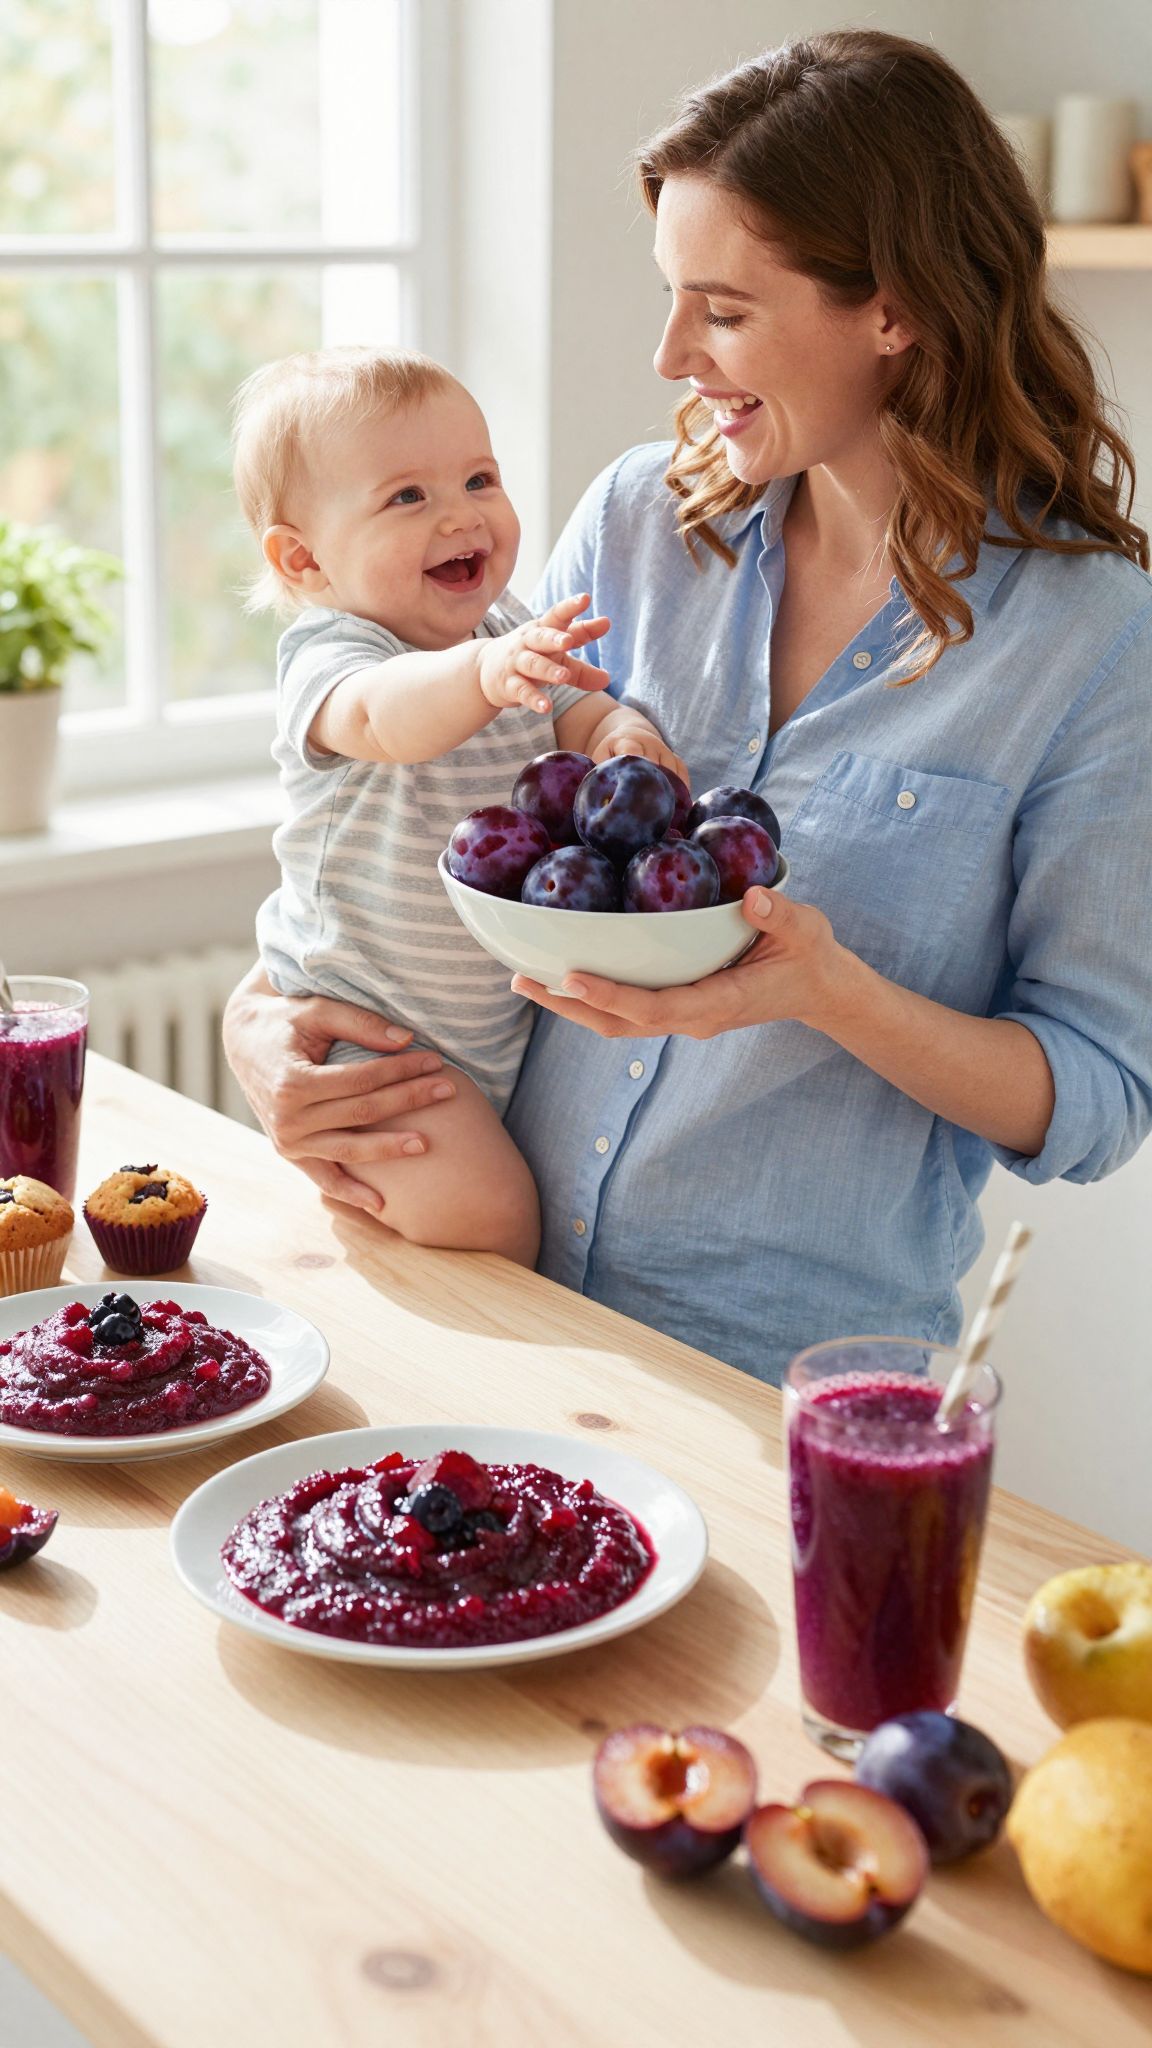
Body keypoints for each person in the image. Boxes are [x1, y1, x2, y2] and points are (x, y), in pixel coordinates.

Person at [224, 29, 1152, 1388]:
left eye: (719, 310)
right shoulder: (635, 524)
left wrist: (830, 992)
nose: (670, 354)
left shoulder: (1095, 642)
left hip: (783, 1377)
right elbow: (430, 806)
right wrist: (262, 1020)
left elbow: (1093, 1099)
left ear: (893, 308)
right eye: (672, 297)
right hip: (499, 1294)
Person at [230, 346, 683, 1267]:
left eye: (479, 478)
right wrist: (486, 670)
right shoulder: (329, 654)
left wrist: (617, 736)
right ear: (305, 558)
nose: (461, 514)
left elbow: (573, 706)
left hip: (478, 1039)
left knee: (482, 1215)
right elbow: (386, 717)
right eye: (407, 497)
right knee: (491, 1219)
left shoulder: (501, 628)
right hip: (370, 1037)